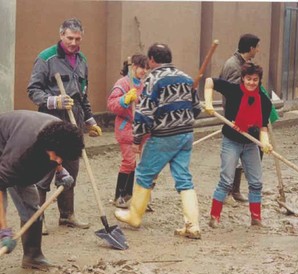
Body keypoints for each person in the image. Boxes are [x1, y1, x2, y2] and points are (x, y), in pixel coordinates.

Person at [114, 43, 202, 239]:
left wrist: (137, 138)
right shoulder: (186, 78)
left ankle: (135, 216)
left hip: (163, 135)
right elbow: (196, 108)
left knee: (145, 173)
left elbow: (144, 113)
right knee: (183, 178)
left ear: (152, 60)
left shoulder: (153, 79)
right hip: (186, 134)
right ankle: (193, 225)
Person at [27, 18, 102, 233]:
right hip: (51, 120)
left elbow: (83, 94)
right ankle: (37, 218)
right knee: (44, 170)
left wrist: (90, 121)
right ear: (61, 35)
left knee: (71, 168)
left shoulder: (82, 59)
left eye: (78, 39)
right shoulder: (46, 58)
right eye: (70, 38)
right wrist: (54, 100)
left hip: (74, 121)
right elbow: (33, 90)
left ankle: (67, 215)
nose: (73, 42)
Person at [0, 110, 84, 269]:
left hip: (19, 152)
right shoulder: (21, 152)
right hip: (7, 151)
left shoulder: (58, 134)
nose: (59, 160)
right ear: (49, 146)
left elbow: (60, 151)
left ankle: (33, 257)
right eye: (58, 156)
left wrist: (61, 171)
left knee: (32, 208)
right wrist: (3, 229)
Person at [205, 63, 273, 228]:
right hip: (231, 142)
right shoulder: (233, 91)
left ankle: (256, 218)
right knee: (226, 181)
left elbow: (263, 126)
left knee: (256, 182)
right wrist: (208, 103)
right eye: (248, 79)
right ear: (243, 78)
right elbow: (209, 81)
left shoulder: (264, 101)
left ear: (259, 81)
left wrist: (265, 142)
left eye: (255, 80)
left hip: (250, 144)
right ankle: (214, 217)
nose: (251, 83)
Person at [219, 33, 260, 202]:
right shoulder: (234, 66)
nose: (258, 50)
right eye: (257, 47)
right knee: (235, 154)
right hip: (235, 118)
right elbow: (235, 94)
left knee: (245, 152)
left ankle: (234, 190)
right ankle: (231, 190)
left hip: (244, 117)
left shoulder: (242, 64)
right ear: (251, 48)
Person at [107, 54, 149, 208]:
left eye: (146, 68)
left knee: (140, 164)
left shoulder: (144, 84)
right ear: (133, 67)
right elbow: (111, 105)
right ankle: (120, 196)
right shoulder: (123, 83)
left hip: (142, 130)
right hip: (126, 129)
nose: (144, 71)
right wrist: (124, 99)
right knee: (129, 162)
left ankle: (134, 197)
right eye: (141, 67)